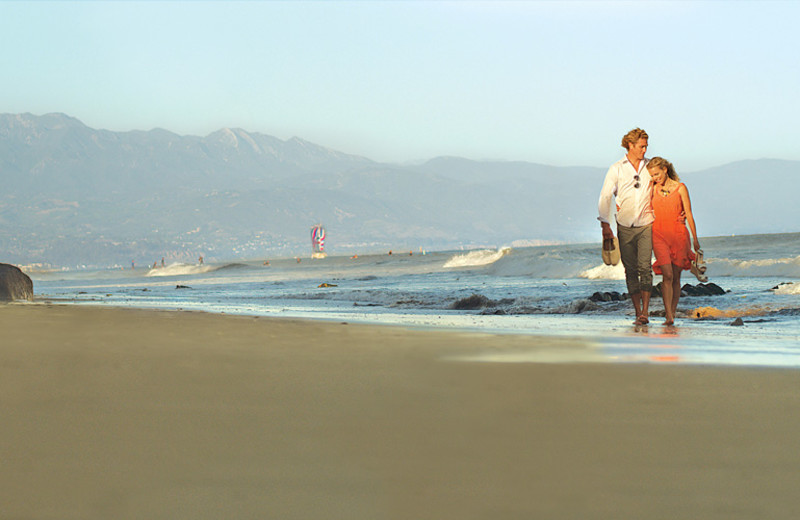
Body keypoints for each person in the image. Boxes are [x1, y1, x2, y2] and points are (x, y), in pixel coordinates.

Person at [597, 128, 654, 324]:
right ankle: (638, 312)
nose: (644, 150)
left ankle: (646, 312)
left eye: (646, 146)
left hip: (647, 223)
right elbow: (605, 196)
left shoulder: (650, 166)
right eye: (641, 146)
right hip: (624, 225)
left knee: (645, 268)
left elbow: (665, 184)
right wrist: (605, 225)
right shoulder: (617, 168)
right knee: (630, 270)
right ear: (630, 145)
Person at [647, 157, 702, 326]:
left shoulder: (680, 188)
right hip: (659, 234)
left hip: (679, 235)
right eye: (652, 175)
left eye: (657, 174)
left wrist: (695, 239)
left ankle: (672, 312)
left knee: (676, 277)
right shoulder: (652, 188)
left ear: (665, 169)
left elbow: (689, 213)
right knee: (667, 274)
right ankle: (669, 314)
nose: (655, 178)